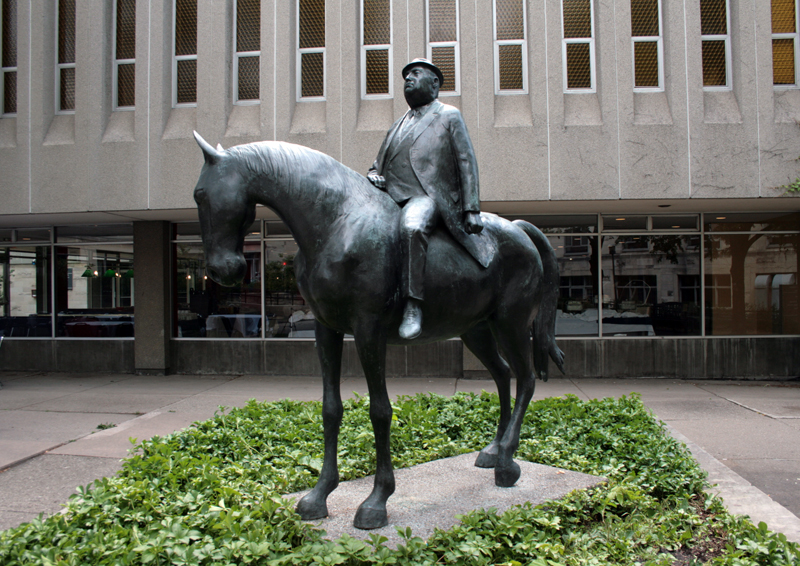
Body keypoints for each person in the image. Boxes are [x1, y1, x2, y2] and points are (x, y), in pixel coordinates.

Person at [368, 58, 492, 340]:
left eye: (415, 73)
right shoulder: (397, 124)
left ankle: (413, 306)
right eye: (405, 75)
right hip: (390, 197)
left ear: (434, 83)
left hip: (426, 197)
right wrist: (374, 174)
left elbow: (466, 161)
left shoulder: (449, 115)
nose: (408, 79)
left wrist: (471, 208)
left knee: (412, 227)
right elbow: (377, 164)